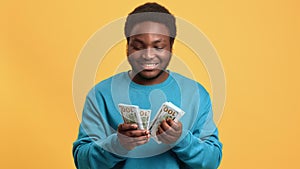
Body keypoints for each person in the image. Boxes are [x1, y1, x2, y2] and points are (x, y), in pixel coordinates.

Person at [73, 2, 222, 169]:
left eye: (158, 47)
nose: (148, 55)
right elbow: (82, 162)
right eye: (138, 47)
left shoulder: (196, 94)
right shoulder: (100, 94)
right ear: (127, 47)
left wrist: (181, 140)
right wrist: (118, 144)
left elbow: (211, 162)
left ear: (171, 48)